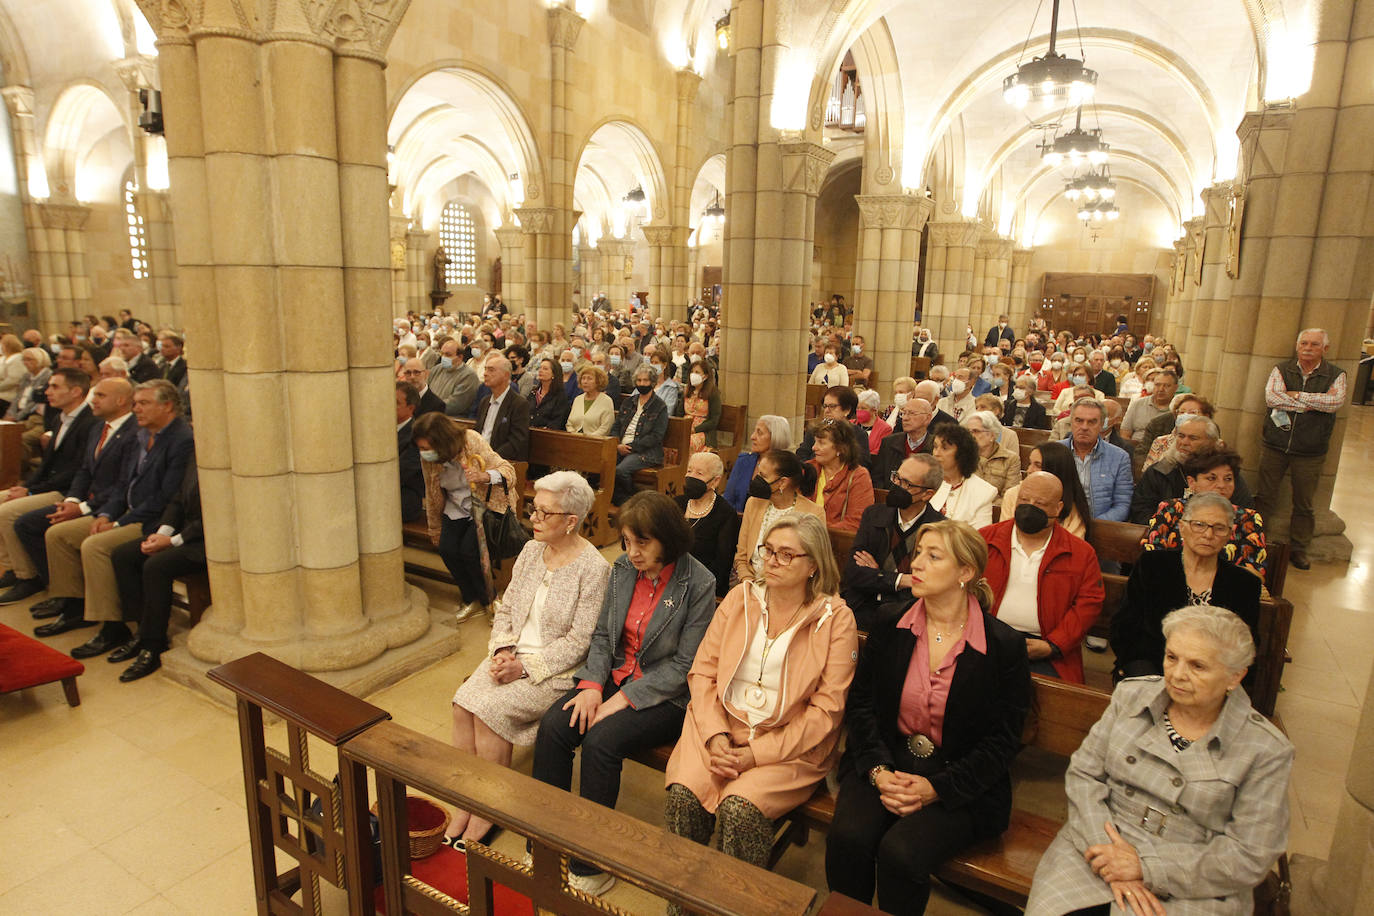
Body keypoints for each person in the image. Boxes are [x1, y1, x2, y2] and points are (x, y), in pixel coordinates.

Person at [1024, 606, 1293, 916]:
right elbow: (1084, 775)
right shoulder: (1132, 697)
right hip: (1098, 844)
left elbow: (1249, 854)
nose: (1177, 675)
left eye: (1198, 666)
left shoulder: (1265, 749)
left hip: (1192, 877)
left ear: (1235, 676)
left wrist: (1147, 868)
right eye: (1171, 657)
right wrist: (1108, 854)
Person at [826, 519, 1031, 915]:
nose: (915, 564)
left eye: (933, 556)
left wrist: (936, 788)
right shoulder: (891, 623)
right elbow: (862, 704)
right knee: (849, 838)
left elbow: (1004, 740)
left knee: (901, 854)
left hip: (961, 780)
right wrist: (879, 771)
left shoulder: (1003, 645)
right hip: (885, 761)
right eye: (917, 553)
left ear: (966, 572)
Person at [531, 491, 716, 895]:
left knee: (601, 741)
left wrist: (619, 700)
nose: (632, 552)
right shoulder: (621, 570)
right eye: (627, 542)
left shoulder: (698, 582)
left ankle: (591, 861)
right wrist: (593, 685)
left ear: (667, 538)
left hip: (663, 694)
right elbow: (602, 636)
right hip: (613, 676)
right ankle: (545, 840)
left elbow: (684, 666)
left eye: (642, 542)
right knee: (554, 727)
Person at [665, 514, 857, 876]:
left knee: (740, 808)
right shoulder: (741, 598)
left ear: (813, 565)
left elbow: (826, 712)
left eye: (786, 554)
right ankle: (682, 901)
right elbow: (703, 672)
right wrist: (715, 734)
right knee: (685, 796)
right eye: (768, 550)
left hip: (788, 746)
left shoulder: (835, 618)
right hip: (720, 727)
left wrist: (756, 754)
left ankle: (738, 900)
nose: (772, 560)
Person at [444, 472, 611, 848]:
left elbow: (581, 641)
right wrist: (503, 650)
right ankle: (465, 800)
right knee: (461, 705)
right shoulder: (531, 551)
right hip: (511, 657)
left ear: (571, 520)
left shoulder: (594, 568)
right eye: (533, 509)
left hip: (554, 671)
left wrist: (524, 667)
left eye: (544, 513)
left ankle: (491, 808)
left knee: (488, 713)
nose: (533, 519)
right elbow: (506, 609)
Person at [41, 380, 196, 652]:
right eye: (135, 403)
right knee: (59, 534)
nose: (136, 409)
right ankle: (75, 605)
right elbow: (124, 483)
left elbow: (166, 497)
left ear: (167, 405)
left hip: (152, 518)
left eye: (144, 403)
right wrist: (107, 513)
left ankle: (112, 624)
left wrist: (119, 522)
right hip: (125, 510)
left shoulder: (180, 440)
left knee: (96, 547)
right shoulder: (141, 434)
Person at [1112, 492, 1262, 689]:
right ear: (1183, 527)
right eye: (1199, 525)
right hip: (1150, 669)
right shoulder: (1153, 565)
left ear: (1229, 534)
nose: (1208, 535)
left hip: (1211, 680)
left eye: (1219, 528)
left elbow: (1245, 647)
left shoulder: (1244, 583)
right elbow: (1124, 628)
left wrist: (1209, 680)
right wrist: (1159, 675)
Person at [981, 471, 1105, 681]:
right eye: (1024, 499)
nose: (1029, 507)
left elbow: (1089, 603)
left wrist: (1054, 644)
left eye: (1039, 503)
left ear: (1058, 508)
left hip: (1047, 646)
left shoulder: (1080, 553)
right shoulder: (985, 539)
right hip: (986, 638)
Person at [1254, 328, 1346, 570]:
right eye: (1304, 343)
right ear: (1297, 346)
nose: (1308, 347)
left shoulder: (1335, 374)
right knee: (1264, 496)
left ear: (1324, 349)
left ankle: (1299, 548)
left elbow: (1334, 402)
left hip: (1310, 449)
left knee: (1304, 502)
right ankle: (1255, 541)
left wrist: (1296, 396)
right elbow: (1272, 398)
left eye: (1314, 344)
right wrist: (1315, 401)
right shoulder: (1282, 369)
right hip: (1276, 443)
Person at [106, 461, 206, 681]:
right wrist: (162, 533)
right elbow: (178, 500)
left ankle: (154, 644)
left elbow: (215, 515)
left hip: (207, 542)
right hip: (183, 535)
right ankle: (142, 631)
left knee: (156, 566)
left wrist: (171, 541)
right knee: (123, 555)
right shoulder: (195, 452)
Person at [413, 411, 518, 619]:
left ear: (442, 442)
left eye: (426, 448)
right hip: (454, 507)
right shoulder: (430, 458)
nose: (424, 453)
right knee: (447, 549)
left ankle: (490, 600)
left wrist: (483, 476)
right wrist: (434, 527)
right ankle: (470, 598)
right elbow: (431, 491)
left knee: (470, 552)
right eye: (421, 448)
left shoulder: (471, 440)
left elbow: (508, 471)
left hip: (485, 507)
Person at [841, 455, 945, 630]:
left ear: (927, 494)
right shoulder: (874, 515)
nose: (897, 486)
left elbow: (927, 589)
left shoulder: (940, 529)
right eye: (896, 477)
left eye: (907, 484)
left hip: (909, 619)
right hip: (863, 607)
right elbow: (853, 573)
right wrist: (902, 580)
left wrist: (878, 575)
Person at [1143, 446, 1267, 581]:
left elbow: (1255, 575)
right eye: (1211, 478)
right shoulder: (1171, 510)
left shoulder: (1247, 518)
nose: (1221, 485)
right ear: (1192, 482)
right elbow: (1152, 559)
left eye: (1228, 479)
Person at [733, 449, 824, 585]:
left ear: (782, 483)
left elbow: (812, 564)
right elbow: (741, 556)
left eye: (763, 476)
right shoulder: (753, 503)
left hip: (790, 589)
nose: (755, 480)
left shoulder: (813, 513)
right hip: (750, 584)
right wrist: (747, 581)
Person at [677, 451, 739, 598]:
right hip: (672, 580)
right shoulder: (677, 504)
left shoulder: (725, 513)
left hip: (704, 587)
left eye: (699, 473)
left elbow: (723, 564)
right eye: (689, 470)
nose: (691, 476)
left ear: (715, 481)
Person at [1002, 442, 1091, 540]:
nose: (1029, 470)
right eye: (1030, 463)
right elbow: (1004, 535)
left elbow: (1074, 546)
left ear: (1056, 470)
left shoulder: (1073, 506)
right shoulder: (1013, 494)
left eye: (1038, 465)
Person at [1063, 398, 1133, 522]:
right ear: (1071, 422)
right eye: (1079, 420)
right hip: (1060, 525)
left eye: (1091, 422)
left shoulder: (1119, 457)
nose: (1084, 427)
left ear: (1101, 425)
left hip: (1099, 527)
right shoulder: (1055, 451)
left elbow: (1122, 504)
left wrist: (1095, 526)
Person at [610, 365, 671, 505]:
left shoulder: (659, 406)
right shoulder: (628, 401)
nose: (642, 384)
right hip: (620, 447)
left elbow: (656, 436)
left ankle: (633, 499)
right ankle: (616, 498)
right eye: (639, 380)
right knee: (602, 465)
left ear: (653, 382)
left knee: (621, 470)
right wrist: (616, 444)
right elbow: (616, 426)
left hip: (646, 452)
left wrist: (630, 447)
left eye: (645, 381)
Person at [807, 419, 875, 532]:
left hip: (837, 544)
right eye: (815, 442)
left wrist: (817, 531)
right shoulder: (808, 469)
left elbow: (856, 523)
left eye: (821, 443)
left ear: (841, 448)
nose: (814, 447)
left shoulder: (858, 476)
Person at [928, 423, 997, 527]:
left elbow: (979, 537)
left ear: (962, 453)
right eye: (935, 447)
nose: (936, 453)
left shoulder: (983, 492)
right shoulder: (923, 480)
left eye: (945, 448)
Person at [722, 415, 791, 513]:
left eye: (759, 433)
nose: (752, 437)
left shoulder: (786, 468)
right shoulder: (743, 461)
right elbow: (728, 500)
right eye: (754, 432)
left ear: (775, 437)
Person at [473, 353, 530, 462]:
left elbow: (516, 441)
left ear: (506, 375)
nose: (485, 374)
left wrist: (490, 458)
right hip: (479, 459)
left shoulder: (519, 404)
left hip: (503, 462)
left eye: (491, 370)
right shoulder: (485, 401)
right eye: (485, 369)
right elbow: (478, 433)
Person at [796, 385, 868, 466]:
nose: (826, 410)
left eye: (832, 406)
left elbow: (861, 464)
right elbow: (802, 455)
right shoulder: (815, 429)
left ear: (847, 409)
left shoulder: (858, 434)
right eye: (825, 406)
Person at [873, 398, 935, 486]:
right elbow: (877, 478)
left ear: (928, 418)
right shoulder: (889, 442)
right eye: (903, 413)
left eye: (912, 413)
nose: (905, 418)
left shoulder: (936, 447)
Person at [963, 410, 1020, 499]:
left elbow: (1009, 497)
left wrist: (984, 505)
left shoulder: (1011, 459)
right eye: (968, 431)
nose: (971, 436)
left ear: (992, 436)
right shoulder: (962, 456)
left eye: (976, 431)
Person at [1121, 368, 1179, 450]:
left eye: (1166, 386)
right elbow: (1125, 434)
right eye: (1157, 385)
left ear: (1176, 387)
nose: (1161, 389)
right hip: (1136, 448)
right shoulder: (1138, 404)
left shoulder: (1179, 408)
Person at [395, 382, 424, 523]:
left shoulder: (417, 435)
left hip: (405, 495)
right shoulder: (380, 429)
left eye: (396, 403)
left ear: (410, 408)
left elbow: (400, 472)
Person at [682, 360, 722, 452]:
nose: (693, 374)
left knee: (688, 443)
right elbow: (679, 413)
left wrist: (695, 429)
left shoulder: (712, 393)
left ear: (706, 376)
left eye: (697, 372)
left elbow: (713, 420)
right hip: (685, 427)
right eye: (692, 372)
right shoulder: (687, 391)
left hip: (703, 431)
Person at [565, 365, 616, 436]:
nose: (585, 382)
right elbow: (569, 424)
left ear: (598, 381)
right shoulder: (578, 399)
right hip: (574, 439)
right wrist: (574, 435)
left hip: (596, 441)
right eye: (583, 378)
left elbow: (606, 427)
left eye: (589, 379)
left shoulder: (606, 401)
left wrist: (589, 438)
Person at [528, 357, 572, 430]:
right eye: (540, 368)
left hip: (548, 435)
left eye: (545, 369)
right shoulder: (533, 393)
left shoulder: (560, 396)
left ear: (554, 374)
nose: (540, 371)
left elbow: (558, 421)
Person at [855, 388, 892, 455]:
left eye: (863, 408)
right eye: (857, 408)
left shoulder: (885, 429)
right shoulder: (850, 423)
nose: (859, 411)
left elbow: (880, 452)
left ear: (874, 410)